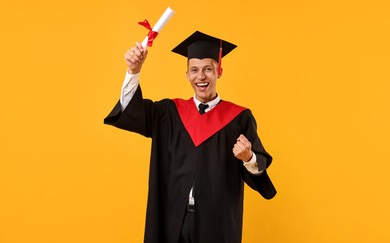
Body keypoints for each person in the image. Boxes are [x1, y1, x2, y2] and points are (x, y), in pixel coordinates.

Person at [104, 31, 276, 243]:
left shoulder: (239, 118)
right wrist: (133, 71)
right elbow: (131, 110)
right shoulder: (169, 113)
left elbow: (260, 165)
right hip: (171, 219)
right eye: (194, 70)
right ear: (187, 75)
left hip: (216, 223)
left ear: (219, 72)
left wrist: (248, 158)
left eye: (208, 70)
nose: (201, 77)